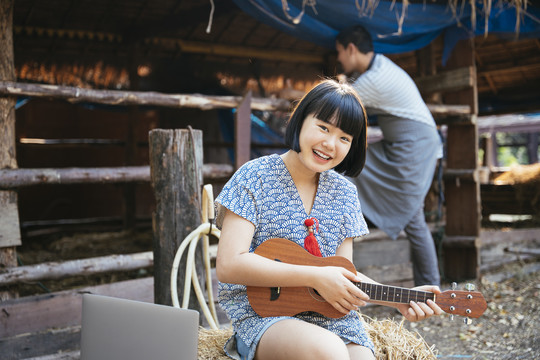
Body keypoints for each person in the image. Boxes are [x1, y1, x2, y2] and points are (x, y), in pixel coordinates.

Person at [215, 79, 443, 360]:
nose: (330, 144)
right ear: (301, 120)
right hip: (263, 315)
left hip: (328, 317)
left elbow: (341, 275)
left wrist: (400, 298)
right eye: (323, 127)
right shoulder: (254, 176)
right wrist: (315, 275)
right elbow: (229, 265)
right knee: (329, 351)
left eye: (344, 138)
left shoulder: (345, 192)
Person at [336, 25, 443, 287]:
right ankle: (430, 286)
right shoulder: (380, 66)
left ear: (351, 49)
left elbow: (337, 103)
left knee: (413, 218)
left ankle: (431, 287)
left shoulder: (374, 79)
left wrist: (336, 85)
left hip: (414, 148)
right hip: (402, 145)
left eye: (339, 52)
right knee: (348, 165)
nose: (338, 59)